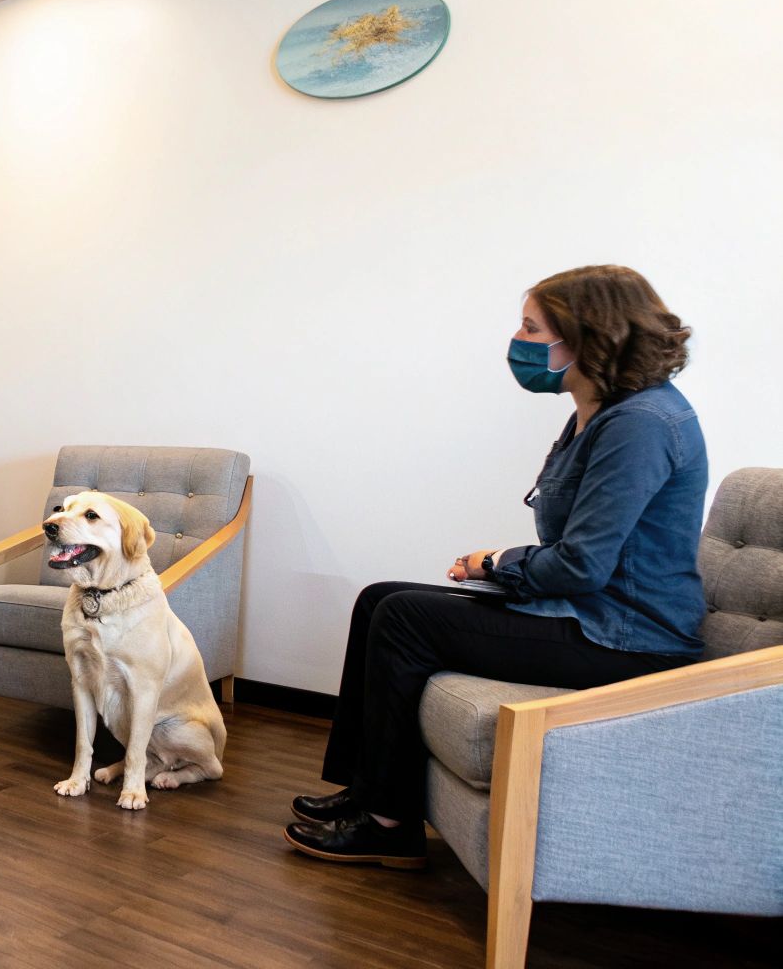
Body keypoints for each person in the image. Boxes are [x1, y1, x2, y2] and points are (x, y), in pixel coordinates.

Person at [286, 265, 706, 869]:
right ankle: (366, 789)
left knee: (406, 617)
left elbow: (584, 564)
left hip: (628, 638)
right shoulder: (597, 411)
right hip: (587, 613)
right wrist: (502, 568)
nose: (519, 339)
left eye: (532, 327)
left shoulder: (641, 423)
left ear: (584, 338)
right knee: (380, 597)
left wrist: (500, 562)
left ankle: (388, 824)